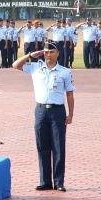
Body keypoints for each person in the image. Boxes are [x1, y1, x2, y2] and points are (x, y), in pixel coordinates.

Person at [13, 43, 75, 191]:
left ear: (58, 53)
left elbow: (70, 94)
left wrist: (71, 114)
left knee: (58, 146)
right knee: (42, 146)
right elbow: (15, 65)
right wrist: (31, 55)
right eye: (46, 52)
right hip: (40, 111)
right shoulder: (36, 67)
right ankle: (45, 181)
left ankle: (59, 182)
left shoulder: (65, 72)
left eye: (51, 52)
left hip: (57, 111)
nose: (48, 55)